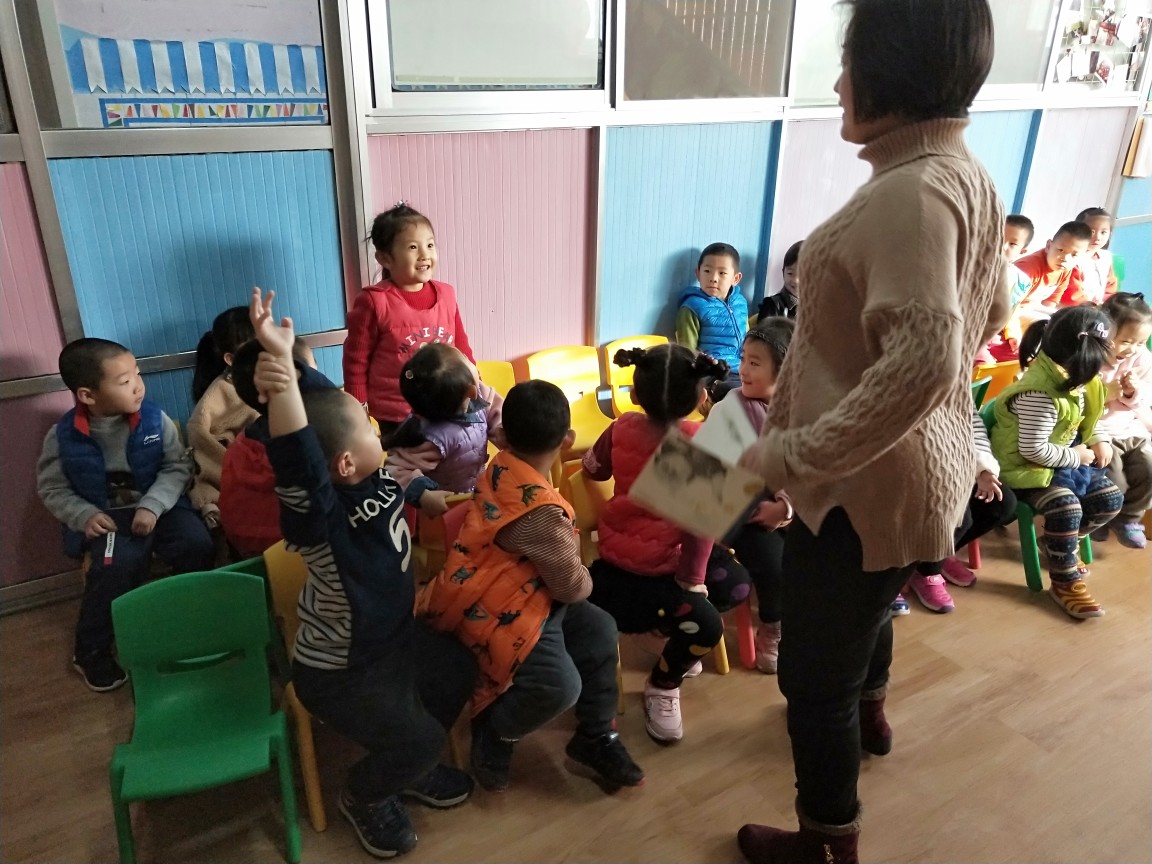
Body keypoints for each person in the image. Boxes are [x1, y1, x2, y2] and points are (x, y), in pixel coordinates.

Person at [734, 2, 1008, 861]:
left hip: (865, 483)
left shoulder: (911, 193)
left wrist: (793, 451)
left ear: (891, 68)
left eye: (848, 60)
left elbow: (922, 360)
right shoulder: (960, 172)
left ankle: (827, 841)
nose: (837, 82)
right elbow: (993, 308)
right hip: (921, 470)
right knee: (866, 610)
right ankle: (872, 710)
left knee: (811, 677)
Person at [248, 287, 476, 859]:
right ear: (345, 462)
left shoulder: (371, 473)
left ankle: (409, 764)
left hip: (392, 641)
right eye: (370, 430)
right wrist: (281, 383)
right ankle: (366, 793)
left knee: (457, 669)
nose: (378, 428)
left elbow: (329, 406)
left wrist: (291, 363)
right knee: (421, 737)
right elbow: (301, 459)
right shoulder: (321, 519)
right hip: (342, 671)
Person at [419, 380, 644, 793]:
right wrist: (586, 575)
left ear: (504, 436)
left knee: (600, 629)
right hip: (501, 606)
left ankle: (595, 736)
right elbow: (572, 588)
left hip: (517, 589)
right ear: (568, 439)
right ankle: (496, 729)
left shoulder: (500, 464)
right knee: (559, 686)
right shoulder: (540, 512)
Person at [583, 344, 752, 743]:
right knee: (710, 622)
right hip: (652, 570)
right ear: (701, 395)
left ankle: (664, 629)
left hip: (627, 556)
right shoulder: (699, 439)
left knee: (734, 584)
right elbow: (700, 525)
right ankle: (662, 683)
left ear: (634, 394)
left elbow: (592, 469)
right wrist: (692, 581)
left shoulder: (621, 426)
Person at [36, 338, 214, 692]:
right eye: (125, 380)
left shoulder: (155, 420)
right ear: (87, 395)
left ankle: (191, 623)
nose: (138, 385)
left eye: (137, 374)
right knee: (113, 567)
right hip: (105, 518)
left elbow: (177, 467)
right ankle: (91, 651)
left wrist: (153, 505)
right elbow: (53, 489)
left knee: (197, 543)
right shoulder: (63, 436)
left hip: (161, 506)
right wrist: (84, 515)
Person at [990, 306, 1123, 619]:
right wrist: (1077, 456)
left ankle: (1058, 543)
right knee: (1067, 507)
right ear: (1085, 354)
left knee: (1110, 499)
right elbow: (1032, 450)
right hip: (1024, 469)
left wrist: (1099, 439)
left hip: (1061, 460)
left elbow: (1087, 420)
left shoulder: (1080, 376)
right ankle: (1064, 581)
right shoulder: (1039, 393)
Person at [703, 318, 796, 673]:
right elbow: (708, 479)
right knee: (775, 563)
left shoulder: (802, 411)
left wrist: (786, 507)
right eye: (743, 359)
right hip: (742, 512)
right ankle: (772, 626)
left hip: (786, 506)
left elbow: (815, 470)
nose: (742, 369)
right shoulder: (731, 406)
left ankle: (801, 616)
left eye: (754, 363)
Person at [343, 203, 476, 434]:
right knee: (408, 458)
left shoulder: (447, 294)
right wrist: (358, 406)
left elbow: (461, 346)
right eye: (413, 247)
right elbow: (356, 359)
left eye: (430, 245)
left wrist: (474, 380)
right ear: (385, 258)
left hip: (445, 401)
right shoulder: (374, 301)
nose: (425, 255)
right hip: (397, 412)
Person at [217, 338, 335, 558]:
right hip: (302, 559)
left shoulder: (239, 445)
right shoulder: (314, 445)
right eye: (310, 371)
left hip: (248, 562)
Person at [899, 406, 1018, 614]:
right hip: (911, 471)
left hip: (954, 465)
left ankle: (934, 558)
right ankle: (921, 570)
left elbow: (973, 426)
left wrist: (983, 469)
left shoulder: (957, 390)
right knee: (959, 516)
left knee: (1002, 503)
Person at [383, 343, 504, 517]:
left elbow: (498, 413)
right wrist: (423, 494)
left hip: (478, 494)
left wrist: (504, 432)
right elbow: (395, 470)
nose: (470, 360)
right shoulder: (429, 437)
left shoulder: (480, 393)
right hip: (446, 507)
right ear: (469, 392)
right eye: (466, 359)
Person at [187, 307, 259, 529]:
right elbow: (202, 445)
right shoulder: (216, 397)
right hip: (243, 476)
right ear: (230, 358)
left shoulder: (275, 376)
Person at [1092, 292, 1152, 548]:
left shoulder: (1142, 358)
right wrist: (1107, 393)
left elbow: (1146, 396)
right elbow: (1076, 400)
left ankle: (1128, 519)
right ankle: (1099, 518)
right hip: (1099, 432)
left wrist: (1132, 392)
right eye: (1126, 341)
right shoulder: (1089, 356)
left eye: (1141, 343)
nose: (1132, 349)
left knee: (1148, 468)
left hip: (1130, 428)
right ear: (1104, 331)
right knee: (1113, 477)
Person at [675, 242, 748, 401]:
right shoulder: (691, 307)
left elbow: (747, 339)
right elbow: (687, 353)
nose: (713, 279)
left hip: (742, 369)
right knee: (741, 394)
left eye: (722, 273)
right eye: (707, 271)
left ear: (735, 278)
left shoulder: (740, 303)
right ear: (698, 273)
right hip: (713, 374)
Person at [1010, 221, 1092, 325]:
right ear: (1049, 246)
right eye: (1060, 250)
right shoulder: (1028, 269)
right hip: (1012, 310)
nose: (1065, 259)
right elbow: (1008, 304)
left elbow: (1051, 301)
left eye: (1074, 255)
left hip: (1030, 308)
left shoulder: (1066, 269)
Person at [1060, 207, 1119, 306]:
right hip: (1074, 309)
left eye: (1103, 232)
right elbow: (1072, 294)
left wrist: (1106, 305)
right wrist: (1091, 308)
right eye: (1091, 232)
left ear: (1110, 233)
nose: (1098, 237)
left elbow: (1110, 287)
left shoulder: (1106, 257)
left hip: (1097, 309)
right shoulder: (1073, 258)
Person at [756, 241, 802, 321]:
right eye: (790, 273)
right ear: (783, 272)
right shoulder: (772, 304)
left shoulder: (817, 306)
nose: (795, 280)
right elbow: (765, 328)